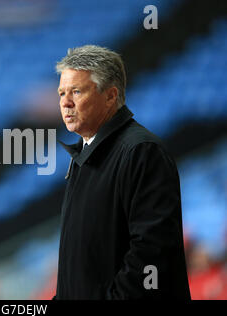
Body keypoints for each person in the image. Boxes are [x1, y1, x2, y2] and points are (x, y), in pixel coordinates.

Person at [54, 45, 191, 299]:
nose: (65, 102)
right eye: (62, 92)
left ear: (110, 96)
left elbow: (151, 254)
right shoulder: (82, 156)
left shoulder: (141, 151)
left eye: (76, 91)